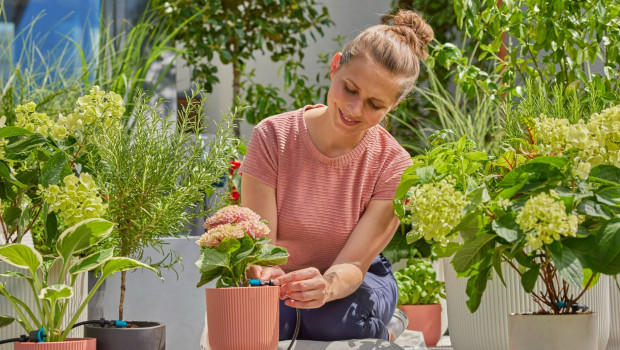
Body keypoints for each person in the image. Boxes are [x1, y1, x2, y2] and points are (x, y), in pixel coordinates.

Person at [239, 9, 434, 342]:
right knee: (268, 323)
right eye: (351, 89)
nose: (355, 109)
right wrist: (265, 272)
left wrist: (326, 288)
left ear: (394, 105)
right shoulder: (273, 136)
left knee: (331, 322)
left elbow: (354, 266)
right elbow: (261, 244)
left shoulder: (394, 165)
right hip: (285, 279)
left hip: (356, 277)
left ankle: (387, 327)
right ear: (335, 66)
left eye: (375, 104)